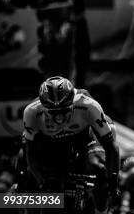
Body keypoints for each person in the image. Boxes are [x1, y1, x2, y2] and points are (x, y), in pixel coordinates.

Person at [22, 76, 119, 214]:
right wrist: (41, 182)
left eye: (64, 111)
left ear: (73, 103)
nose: (60, 118)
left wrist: (113, 181)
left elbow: (111, 147)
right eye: (54, 113)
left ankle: (101, 211)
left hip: (84, 136)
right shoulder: (31, 111)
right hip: (49, 142)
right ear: (43, 108)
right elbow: (30, 152)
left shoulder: (89, 105)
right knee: (25, 172)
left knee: (99, 168)